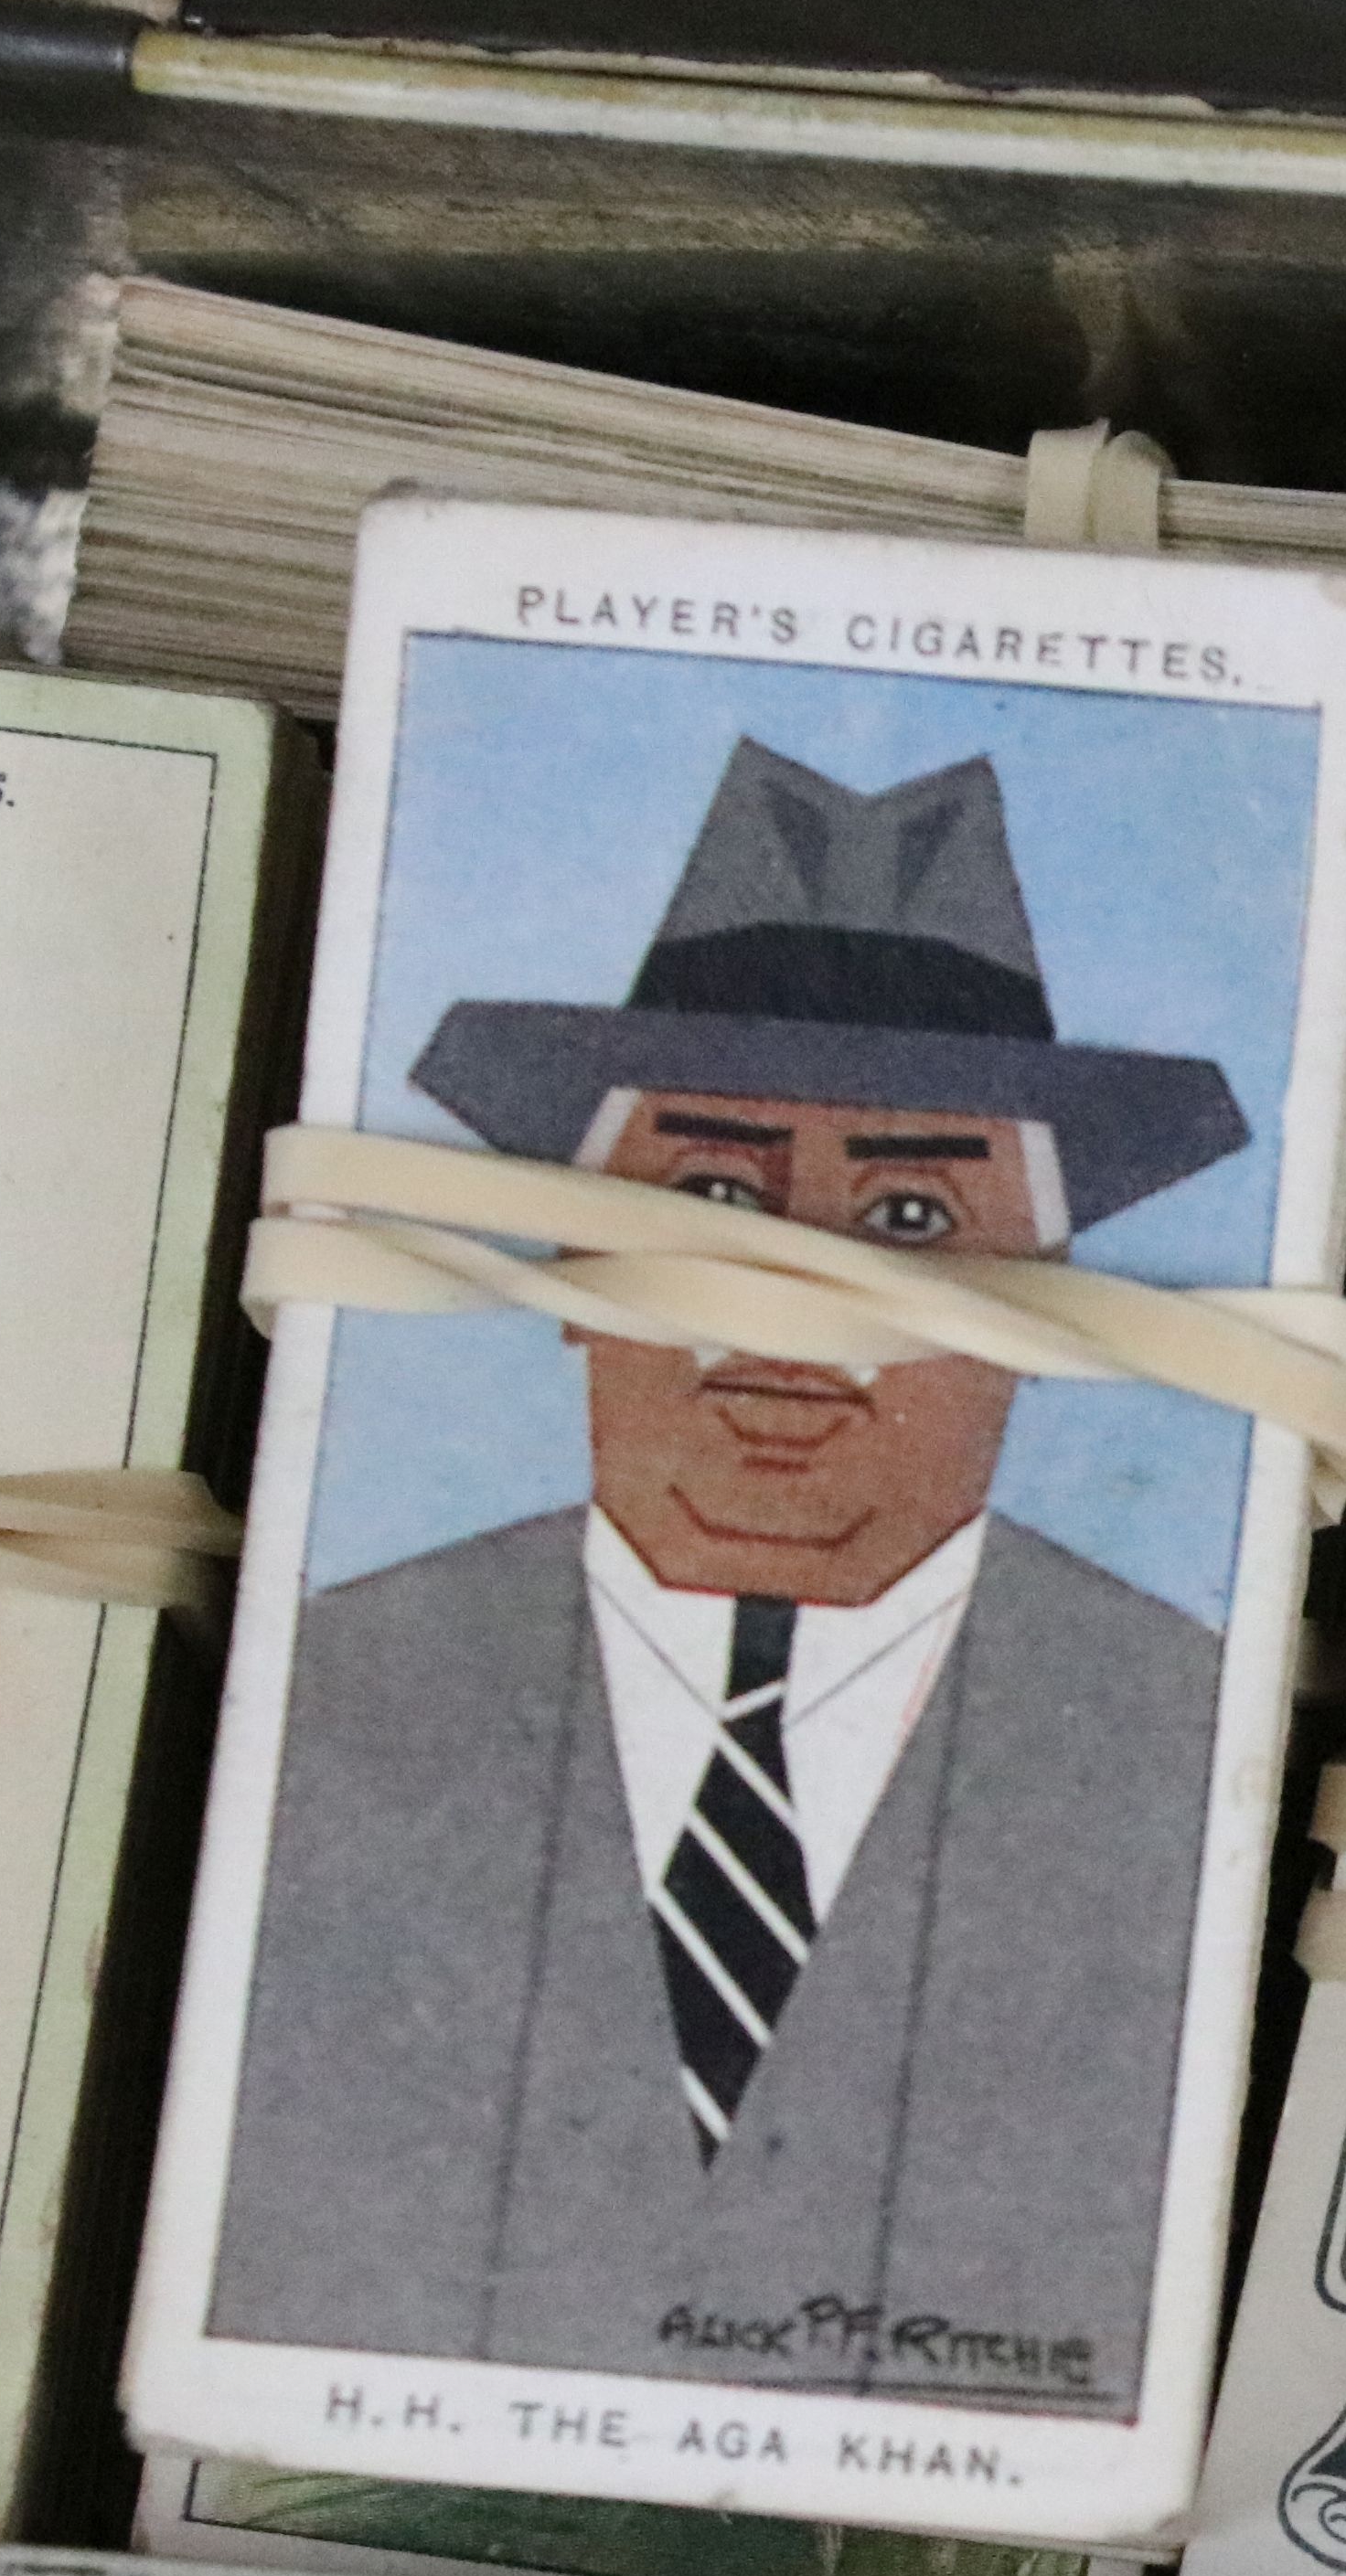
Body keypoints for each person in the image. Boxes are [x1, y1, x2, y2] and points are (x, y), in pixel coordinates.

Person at [207, 740, 1249, 2422]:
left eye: (911, 1217)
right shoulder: (324, 1690)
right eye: (707, 1200)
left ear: (1057, 1308)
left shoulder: (1188, 1736)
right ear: (562, 1269)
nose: (789, 1316)